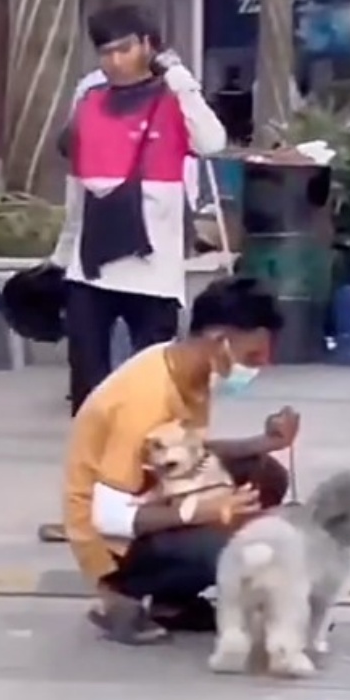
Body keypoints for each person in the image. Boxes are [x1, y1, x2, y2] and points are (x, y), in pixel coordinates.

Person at [62, 276, 298, 644]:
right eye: (253, 357)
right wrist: (206, 513)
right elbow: (107, 517)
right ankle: (119, 594)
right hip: (108, 539)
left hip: (155, 494)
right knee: (229, 539)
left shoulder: (188, 370)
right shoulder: (144, 397)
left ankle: (173, 601)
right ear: (219, 340)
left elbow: (190, 456)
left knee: (264, 475)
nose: (259, 368)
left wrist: (264, 442)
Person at [49, 5, 228, 415]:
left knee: (153, 386)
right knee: (88, 386)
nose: (114, 61)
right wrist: (63, 252)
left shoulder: (175, 96)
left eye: (125, 49)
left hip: (154, 271)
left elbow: (212, 143)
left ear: (149, 45)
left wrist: (182, 82)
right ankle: (92, 464)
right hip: (90, 268)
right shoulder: (90, 96)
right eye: (106, 52)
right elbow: (78, 186)